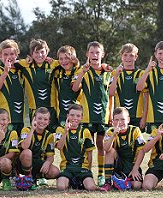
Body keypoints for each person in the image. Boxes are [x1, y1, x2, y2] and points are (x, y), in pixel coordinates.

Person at [72, 41, 113, 186]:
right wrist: (82, 72)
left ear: (103, 54)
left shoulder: (108, 72)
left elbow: (111, 95)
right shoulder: (83, 71)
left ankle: (101, 174)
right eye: (92, 52)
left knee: (101, 144)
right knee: (86, 146)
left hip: (103, 116)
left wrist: (111, 114)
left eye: (97, 52)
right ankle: (86, 173)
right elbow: (75, 88)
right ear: (87, 54)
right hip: (87, 117)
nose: (95, 55)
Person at [18, 39, 59, 133]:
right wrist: (26, 59)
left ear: (47, 53)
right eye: (36, 52)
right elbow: (12, 62)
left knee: (51, 137)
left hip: (51, 109)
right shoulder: (25, 65)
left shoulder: (53, 64)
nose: (40, 55)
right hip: (34, 109)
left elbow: (68, 62)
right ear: (32, 53)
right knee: (35, 135)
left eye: (42, 52)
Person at [101, 107, 145, 191]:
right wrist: (114, 135)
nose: (119, 122)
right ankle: (108, 182)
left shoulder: (135, 130)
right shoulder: (110, 131)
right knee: (110, 151)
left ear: (128, 119)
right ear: (113, 121)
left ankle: (121, 181)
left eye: (122, 119)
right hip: (119, 163)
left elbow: (142, 151)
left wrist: (135, 169)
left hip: (132, 164)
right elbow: (106, 149)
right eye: (116, 120)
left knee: (136, 185)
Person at [55, 104, 97, 191]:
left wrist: (88, 170)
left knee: (91, 188)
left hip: (82, 168)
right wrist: (65, 132)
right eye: (72, 115)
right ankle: (70, 181)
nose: (75, 118)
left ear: (82, 117)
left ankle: (79, 181)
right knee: (61, 187)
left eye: (78, 116)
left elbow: (89, 153)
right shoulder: (60, 129)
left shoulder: (85, 131)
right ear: (67, 116)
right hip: (67, 168)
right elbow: (59, 147)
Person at [18, 107, 59, 189]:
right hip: (22, 163)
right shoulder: (26, 130)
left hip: (38, 162)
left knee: (55, 171)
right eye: (39, 118)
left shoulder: (49, 135)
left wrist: (47, 163)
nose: (42, 121)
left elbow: (50, 157)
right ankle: (27, 178)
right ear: (34, 119)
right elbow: (24, 146)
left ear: (48, 122)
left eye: (45, 119)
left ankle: (37, 178)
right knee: (27, 153)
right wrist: (32, 129)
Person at [109, 43, 148, 130]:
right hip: (120, 117)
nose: (128, 58)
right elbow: (111, 93)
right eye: (125, 55)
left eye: (131, 55)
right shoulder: (115, 73)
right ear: (121, 56)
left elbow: (146, 97)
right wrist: (116, 76)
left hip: (137, 116)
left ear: (136, 57)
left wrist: (144, 118)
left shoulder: (141, 74)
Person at [0, 39, 25, 134]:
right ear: (0, 56)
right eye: (5, 54)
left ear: (16, 55)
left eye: (12, 54)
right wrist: (6, 72)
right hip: (5, 118)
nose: (9, 57)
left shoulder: (21, 70)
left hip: (21, 117)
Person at [54, 45, 81, 128]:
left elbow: (75, 89)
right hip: (62, 114)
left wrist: (77, 63)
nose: (64, 61)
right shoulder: (57, 72)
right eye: (61, 59)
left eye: (66, 58)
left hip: (77, 113)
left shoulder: (79, 71)